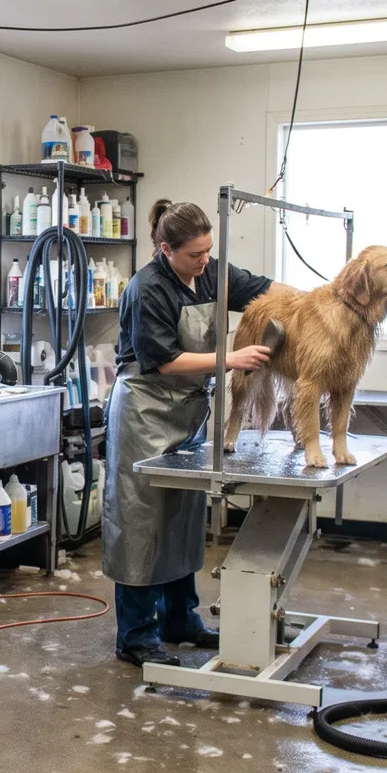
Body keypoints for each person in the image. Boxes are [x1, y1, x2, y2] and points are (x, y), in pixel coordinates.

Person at [102, 198, 289, 666]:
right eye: (194, 254)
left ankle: (180, 618)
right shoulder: (147, 289)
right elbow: (164, 360)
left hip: (186, 412)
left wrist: (320, 305)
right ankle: (137, 635)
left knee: (181, 519)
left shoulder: (211, 272)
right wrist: (231, 359)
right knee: (141, 523)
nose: (204, 261)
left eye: (208, 250)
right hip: (144, 411)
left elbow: (267, 291)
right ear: (166, 249)